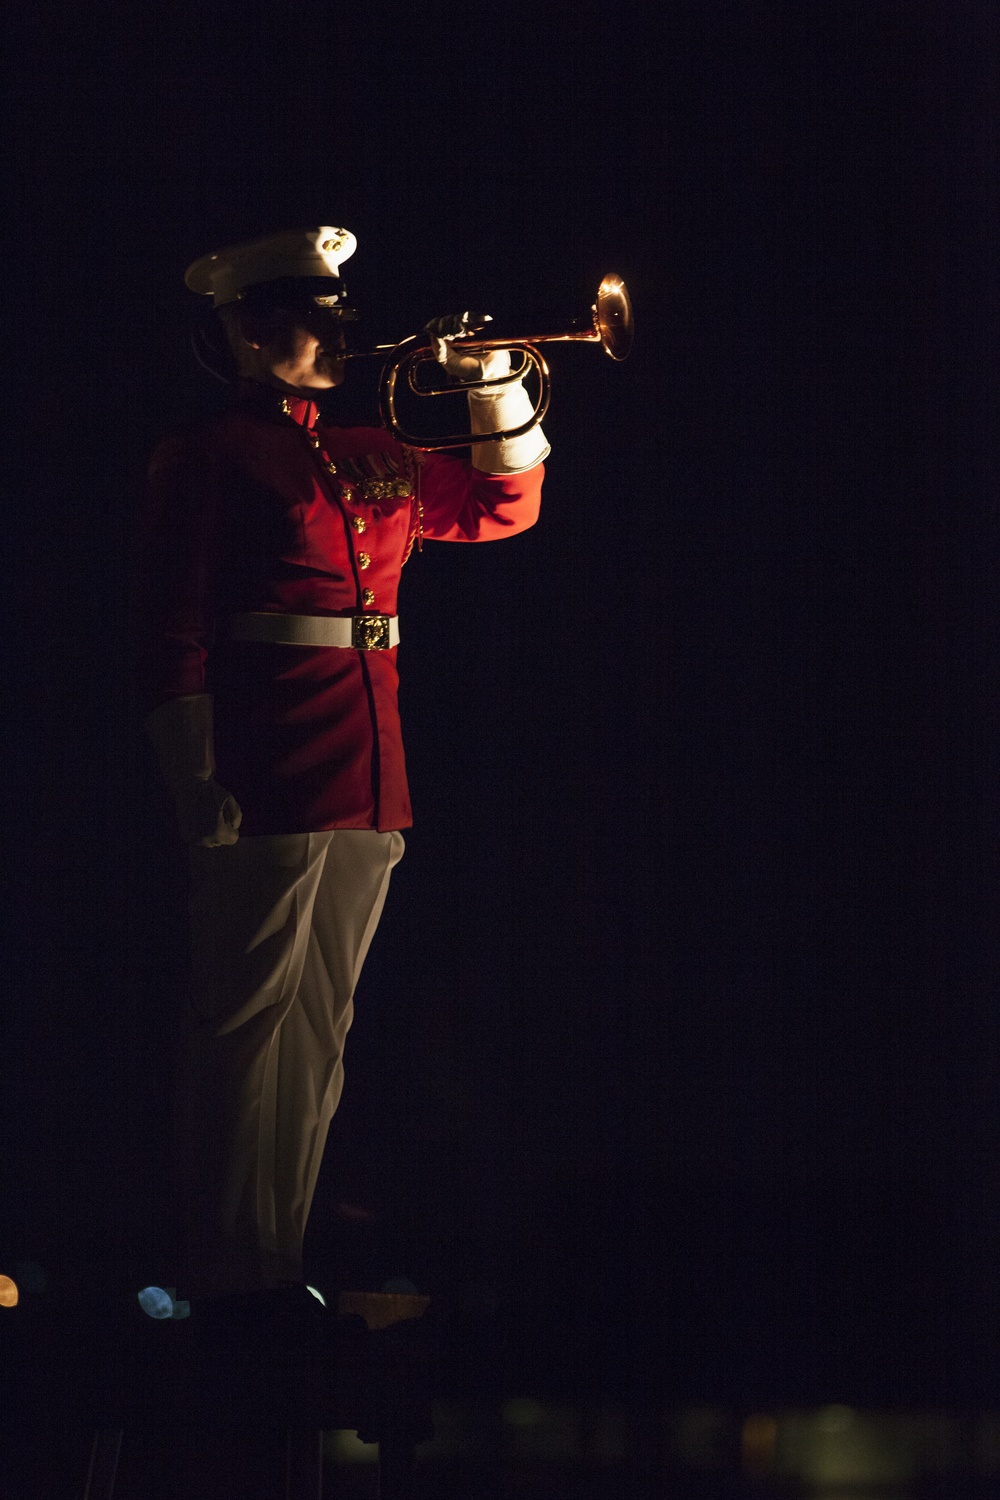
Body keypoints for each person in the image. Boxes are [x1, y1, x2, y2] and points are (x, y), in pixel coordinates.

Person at [139, 226, 548, 1327]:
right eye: (321, 314)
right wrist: (193, 770)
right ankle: (231, 1264)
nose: (345, 329)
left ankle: (276, 1257)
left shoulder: (366, 444)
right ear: (254, 329)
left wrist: (495, 387)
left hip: (368, 766)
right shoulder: (213, 450)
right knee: (244, 1021)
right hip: (264, 764)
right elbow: (171, 626)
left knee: (320, 1025)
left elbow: (504, 508)